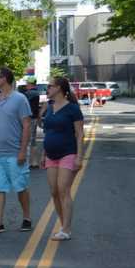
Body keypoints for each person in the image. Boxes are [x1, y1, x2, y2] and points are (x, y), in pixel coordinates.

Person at [0, 67, 33, 234]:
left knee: (20, 187)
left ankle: (27, 217)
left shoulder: (20, 99)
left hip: (15, 151)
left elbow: (26, 125)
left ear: (5, 79)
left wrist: (23, 151)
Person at [41, 77, 84, 241]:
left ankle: (66, 229)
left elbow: (79, 134)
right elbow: (47, 132)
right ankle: (62, 224)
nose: (47, 89)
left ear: (59, 88)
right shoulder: (50, 107)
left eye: (50, 86)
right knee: (53, 192)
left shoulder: (72, 109)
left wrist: (79, 157)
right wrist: (43, 154)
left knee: (63, 190)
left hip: (68, 153)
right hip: (51, 154)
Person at [21, 76, 42, 168]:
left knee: (28, 139)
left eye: (27, 83)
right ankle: (34, 161)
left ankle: (29, 161)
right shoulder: (36, 93)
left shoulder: (29, 93)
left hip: (29, 118)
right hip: (34, 118)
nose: (26, 85)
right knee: (33, 140)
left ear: (30, 84)